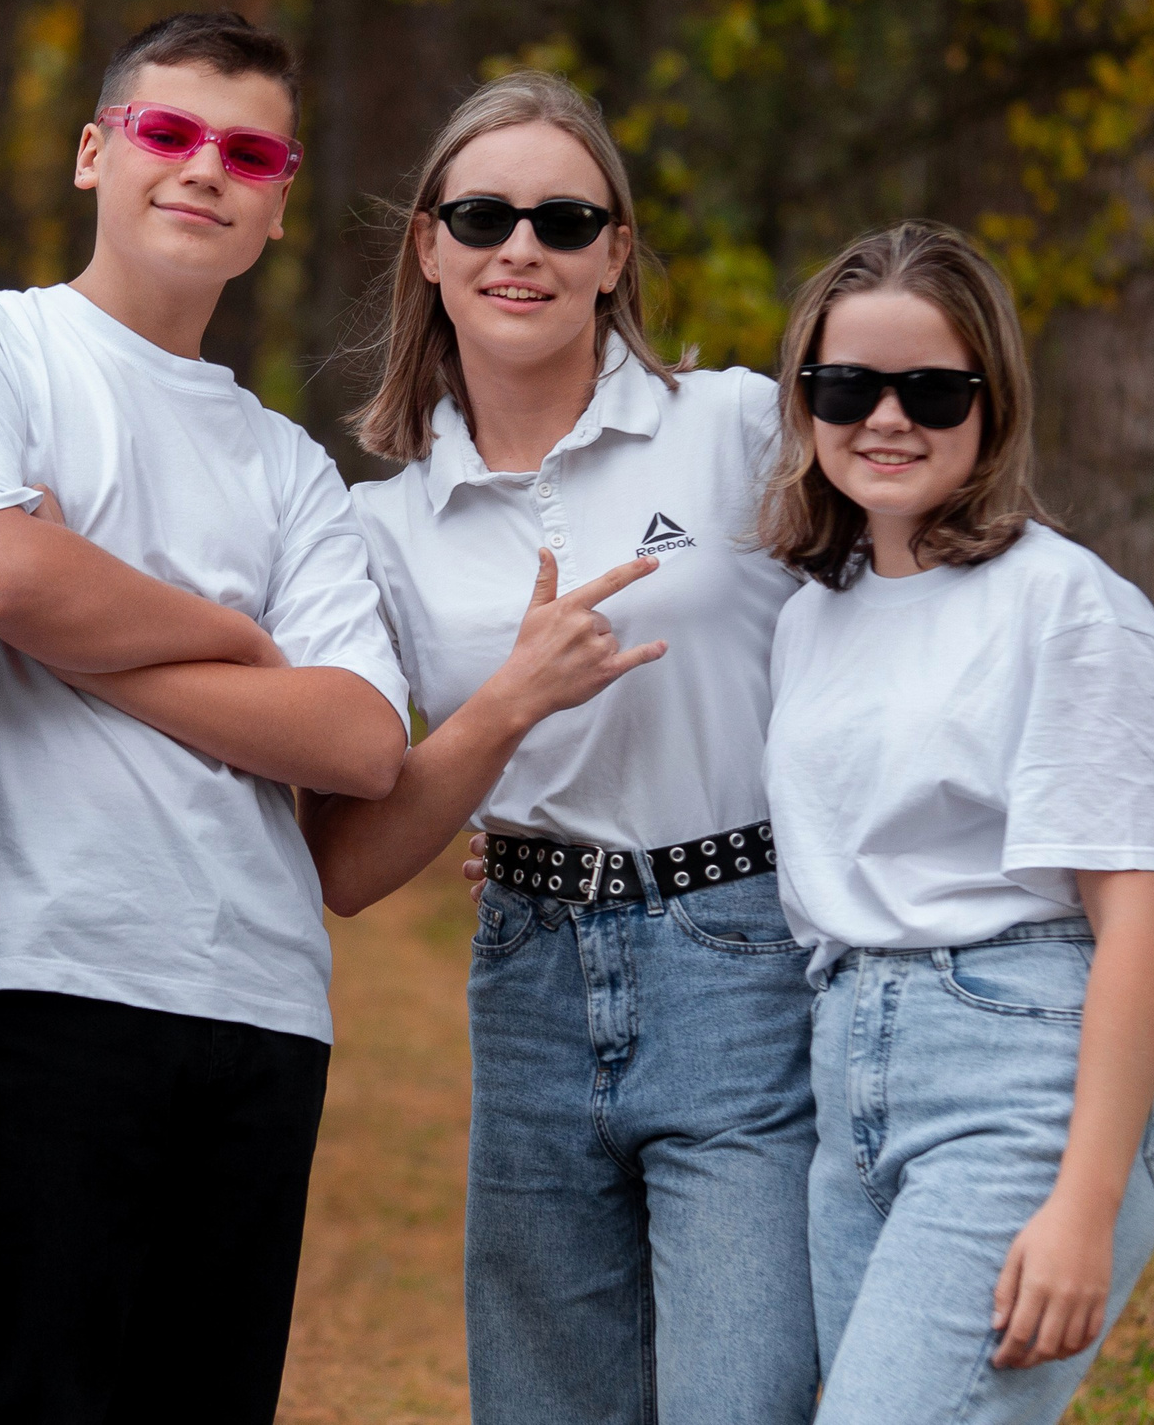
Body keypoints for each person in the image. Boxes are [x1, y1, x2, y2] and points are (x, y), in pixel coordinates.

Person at [0, 12, 411, 1423]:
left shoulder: (291, 466)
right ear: (97, 151)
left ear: (279, 202)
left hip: (258, 1006)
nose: (202, 168)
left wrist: (75, 618)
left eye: (247, 150)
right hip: (25, 977)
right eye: (168, 132)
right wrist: (239, 637)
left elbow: (355, 739)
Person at [303, 69, 819, 1424]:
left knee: (744, 1398)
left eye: (562, 219)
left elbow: (927, 587)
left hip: (741, 957)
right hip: (527, 978)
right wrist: (504, 710)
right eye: (478, 216)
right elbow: (351, 861)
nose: (518, 246)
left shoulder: (738, 428)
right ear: (428, 247)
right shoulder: (384, 527)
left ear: (615, 254)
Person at [756, 221, 1154, 1423]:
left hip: (1018, 1080)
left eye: (931, 391)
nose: (885, 419)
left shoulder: (1067, 605)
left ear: (991, 404)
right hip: (848, 1085)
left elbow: (1136, 916)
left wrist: (1083, 1206)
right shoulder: (811, 619)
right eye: (846, 386)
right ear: (804, 403)